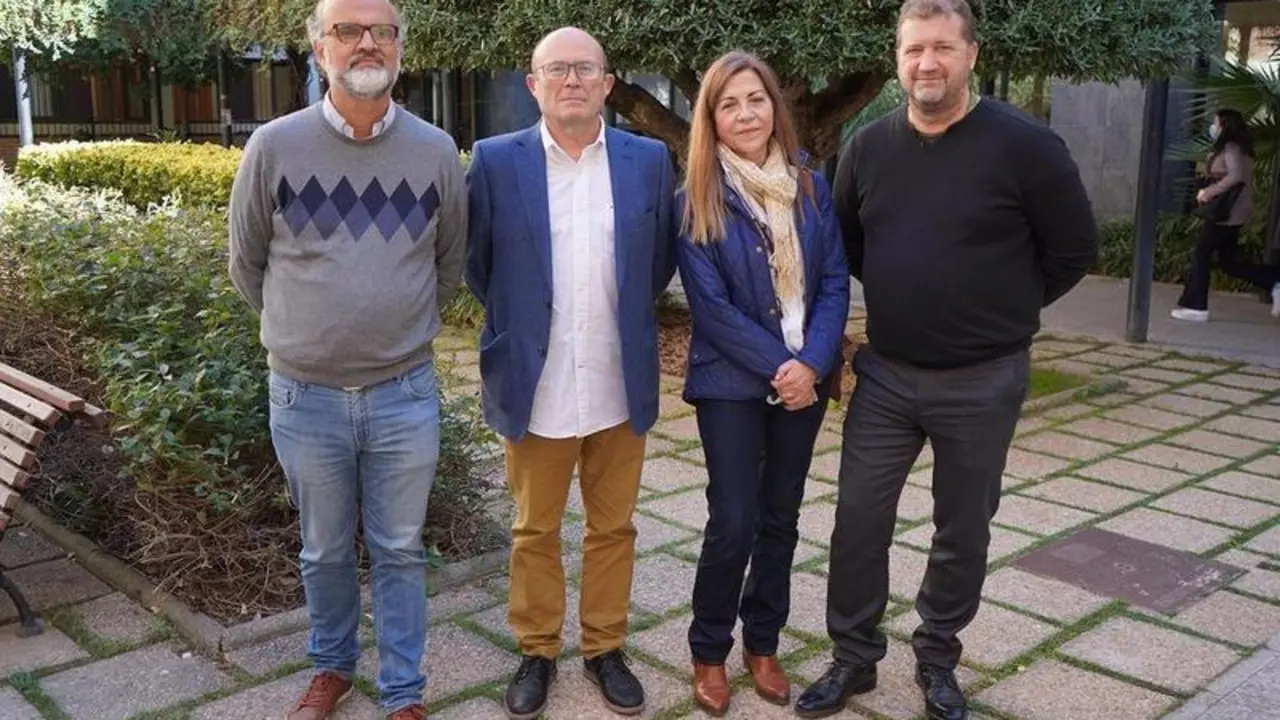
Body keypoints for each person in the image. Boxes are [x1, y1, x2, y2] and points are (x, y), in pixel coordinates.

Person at [796, 1, 1097, 719]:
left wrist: (1004, 310)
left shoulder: (1027, 146)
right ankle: (853, 658)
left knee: (962, 528)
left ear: (971, 55)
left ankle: (937, 659)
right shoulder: (867, 150)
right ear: (897, 59)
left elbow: (1073, 250)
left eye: (941, 48)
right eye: (912, 51)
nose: (925, 64)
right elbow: (847, 250)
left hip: (983, 378)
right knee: (859, 519)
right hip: (888, 374)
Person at [226, 0, 467, 716]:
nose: (368, 43)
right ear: (317, 45)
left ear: (400, 47)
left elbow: (447, 266)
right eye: (349, 31)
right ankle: (331, 668)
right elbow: (247, 263)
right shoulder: (273, 146)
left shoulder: (434, 151)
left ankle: (403, 692)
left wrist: (395, 326)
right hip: (306, 398)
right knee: (324, 550)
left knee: (399, 549)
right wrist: (307, 333)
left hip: (404, 393)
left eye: (382, 31)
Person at [464, 26, 677, 720]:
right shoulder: (496, 162)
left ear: (608, 84)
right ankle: (536, 648)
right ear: (534, 85)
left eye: (586, 69)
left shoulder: (647, 161)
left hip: (620, 379)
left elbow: (659, 260)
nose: (573, 81)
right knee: (535, 529)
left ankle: (605, 647)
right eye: (557, 70)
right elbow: (479, 265)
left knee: (614, 529)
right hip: (536, 378)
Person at [673, 50, 850, 717]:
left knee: (781, 517)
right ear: (711, 119)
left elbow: (834, 278)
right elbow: (710, 310)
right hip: (731, 383)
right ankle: (709, 649)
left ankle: (764, 643)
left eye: (756, 99)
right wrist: (785, 365)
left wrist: (815, 362)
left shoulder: (809, 185)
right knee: (734, 520)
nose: (745, 113)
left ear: (774, 106)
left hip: (804, 378)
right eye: (729, 103)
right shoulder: (696, 197)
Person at [1172, 107, 1280, 322]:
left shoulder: (1231, 147)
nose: (1213, 127)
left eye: (1215, 122)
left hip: (1225, 212)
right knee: (1228, 262)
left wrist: (1209, 191)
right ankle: (1274, 280)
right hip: (1234, 212)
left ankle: (1195, 306)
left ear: (1225, 125)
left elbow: (1235, 176)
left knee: (1201, 253)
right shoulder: (1241, 147)